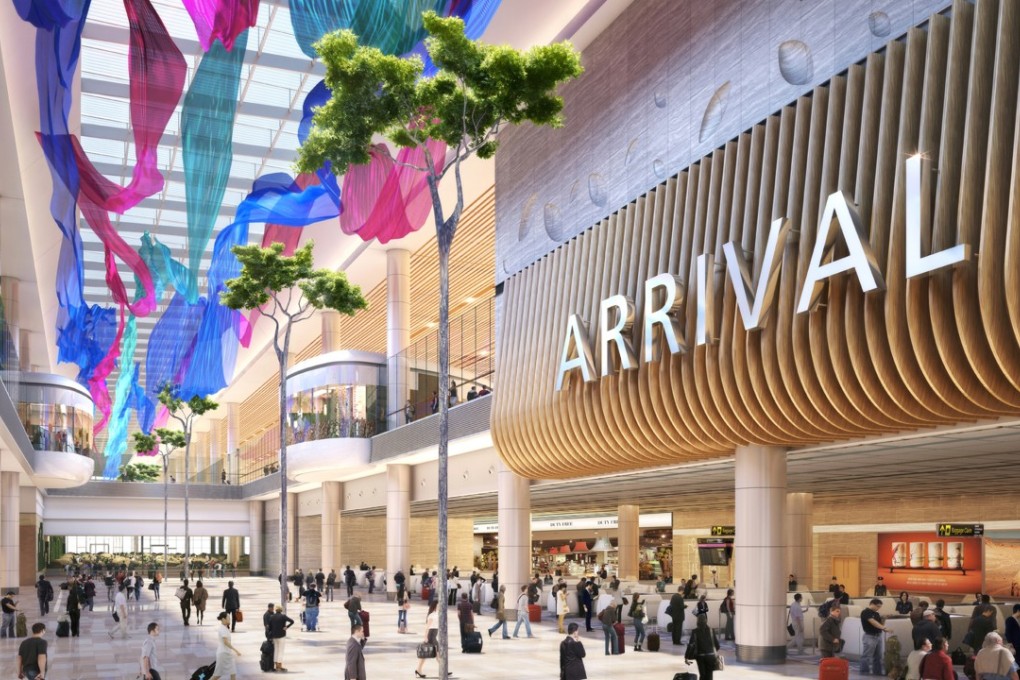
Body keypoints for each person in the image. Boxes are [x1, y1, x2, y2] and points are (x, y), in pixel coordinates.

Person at [861, 598, 892, 674]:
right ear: (872, 604)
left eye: (880, 607)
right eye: (878, 606)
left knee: (878, 656)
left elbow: (880, 625)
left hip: (878, 636)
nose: (878, 608)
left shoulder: (876, 613)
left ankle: (877, 671)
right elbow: (873, 622)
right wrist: (884, 628)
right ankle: (864, 671)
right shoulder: (865, 612)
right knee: (867, 656)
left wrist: (884, 619)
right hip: (870, 636)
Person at [685, 614, 720, 680]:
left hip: (700, 657)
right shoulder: (711, 631)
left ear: (697, 621)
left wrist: (686, 657)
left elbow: (691, 645)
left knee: (702, 674)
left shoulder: (695, 632)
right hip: (710, 656)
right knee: (709, 675)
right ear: (706, 621)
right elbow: (717, 645)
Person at [209, 612, 242, 680]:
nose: (229, 619)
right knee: (217, 675)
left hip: (227, 654)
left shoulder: (225, 628)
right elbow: (225, 642)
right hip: (223, 654)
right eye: (228, 618)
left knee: (233, 672)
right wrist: (236, 650)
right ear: (223, 619)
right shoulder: (222, 629)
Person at [415, 601, 441, 678]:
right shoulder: (431, 615)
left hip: (434, 636)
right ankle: (444, 669)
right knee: (437, 654)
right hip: (431, 636)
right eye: (438, 605)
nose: (439, 606)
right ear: (435, 606)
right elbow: (427, 627)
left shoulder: (437, 614)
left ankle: (418, 669)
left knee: (426, 655)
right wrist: (425, 637)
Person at [267, 605, 294, 672]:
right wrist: (287, 627)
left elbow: (269, 627)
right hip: (281, 635)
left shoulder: (272, 617)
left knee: (276, 650)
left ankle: (276, 666)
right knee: (280, 651)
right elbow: (292, 621)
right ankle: (279, 666)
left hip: (274, 636)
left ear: (275, 610)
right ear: (281, 610)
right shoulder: (283, 616)